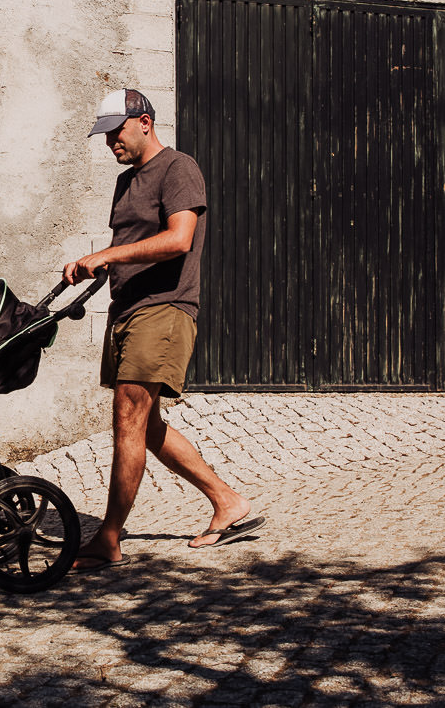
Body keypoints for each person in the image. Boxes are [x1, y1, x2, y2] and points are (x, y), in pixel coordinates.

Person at [62, 88, 263, 570]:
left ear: (145, 122)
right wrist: (95, 267)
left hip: (166, 308)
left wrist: (106, 254)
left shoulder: (179, 168)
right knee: (146, 426)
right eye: (105, 136)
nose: (110, 143)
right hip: (127, 309)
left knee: (128, 414)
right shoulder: (126, 182)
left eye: (117, 132)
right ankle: (227, 501)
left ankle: (109, 536)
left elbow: (179, 239)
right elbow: (134, 245)